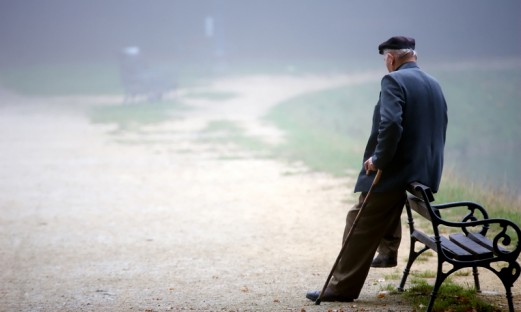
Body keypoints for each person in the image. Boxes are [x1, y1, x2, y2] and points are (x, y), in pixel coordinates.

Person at [306, 36, 448, 302]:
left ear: (391, 58)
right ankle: (387, 251)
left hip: (398, 169)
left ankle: (341, 287)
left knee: (358, 219)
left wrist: (379, 159)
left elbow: (392, 124)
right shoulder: (434, 83)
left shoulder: (393, 80)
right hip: (424, 171)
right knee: (383, 203)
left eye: (386, 59)